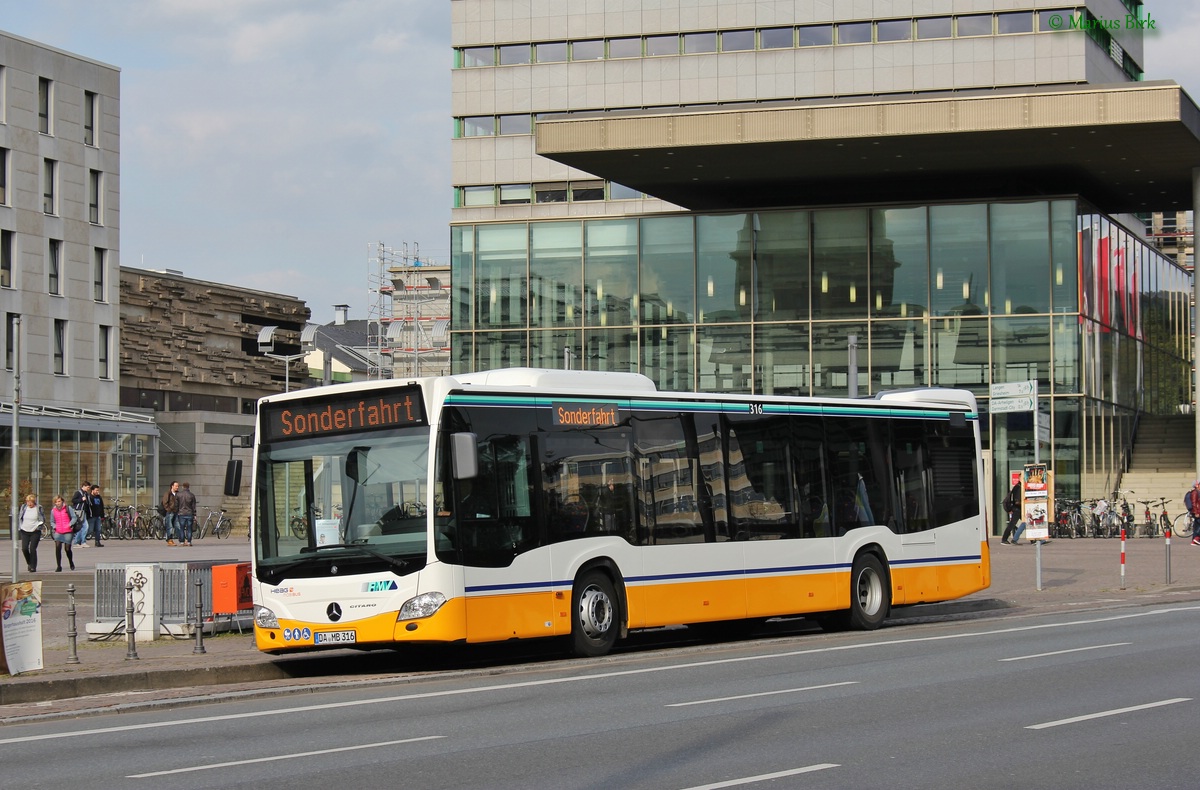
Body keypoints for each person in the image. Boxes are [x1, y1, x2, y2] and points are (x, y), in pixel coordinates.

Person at [50, 495, 80, 572]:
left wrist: (69, 525)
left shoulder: (67, 508)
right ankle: (59, 566)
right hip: (58, 531)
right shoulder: (53, 511)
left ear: (62, 501)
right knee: (57, 547)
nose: (58, 503)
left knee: (67, 549)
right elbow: (52, 521)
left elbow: (74, 517)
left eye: (59, 501)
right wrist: (55, 527)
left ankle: (71, 562)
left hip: (68, 531)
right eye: (56, 502)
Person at [18, 494, 44, 573]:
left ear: (34, 502)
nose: (29, 504)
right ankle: (29, 562)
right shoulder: (24, 507)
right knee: (24, 548)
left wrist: (38, 527)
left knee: (33, 549)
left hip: (35, 531)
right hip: (25, 530)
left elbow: (42, 519)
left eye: (31, 502)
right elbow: (20, 517)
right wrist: (20, 526)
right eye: (28, 502)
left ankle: (33, 566)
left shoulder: (38, 508)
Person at [1000, 480, 1022, 545]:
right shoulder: (1018, 487)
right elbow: (1017, 500)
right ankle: (1004, 539)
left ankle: (1033, 539)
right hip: (1017, 509)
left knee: (1026, 523)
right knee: (1012, 524)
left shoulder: (1017, 487)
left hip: (1017, 508)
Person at [70, 479, 91, 547]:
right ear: (84, 486)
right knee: (84, 526)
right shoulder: (78, 493)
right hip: (79, 511)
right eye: (88, 487)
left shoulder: (86, 493)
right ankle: (80, 542)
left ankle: (79, 542)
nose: (88, 489)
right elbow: (73, 500)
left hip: (83, 511)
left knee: (83, 526)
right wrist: (81, 500)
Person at [176, 481, 197, 546]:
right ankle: (189, 542)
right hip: (189, 513)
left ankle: (182, 542)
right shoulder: (191, 495)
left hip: (181, 513)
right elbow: (193, 506)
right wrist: (194, 514)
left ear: (183, 487)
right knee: (189, 528)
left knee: (181, 528)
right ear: (188, 487)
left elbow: (176, 505)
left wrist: (177, 512)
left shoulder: (179, 495)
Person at [162, 480, 180, 546]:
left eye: (178, 486)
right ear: (172, 486)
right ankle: (169, 540)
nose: (177, 487)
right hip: (170, 512)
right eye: (176, 486)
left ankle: (182, 540)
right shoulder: (168, 493)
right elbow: (165, 502)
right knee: (170, 526)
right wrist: (168, 509)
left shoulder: (178, 494)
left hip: (176, 512)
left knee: (178, 526)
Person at [1184, 479, 1200, 546]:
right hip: (1197, 512)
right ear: (1196, 485)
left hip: (1197, 511)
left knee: (1197, 527)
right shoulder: (1195, 492)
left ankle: (1194, 541)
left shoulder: (1197, 492)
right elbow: (1194, 503)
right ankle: (1196, 539)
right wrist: (1196, 512)